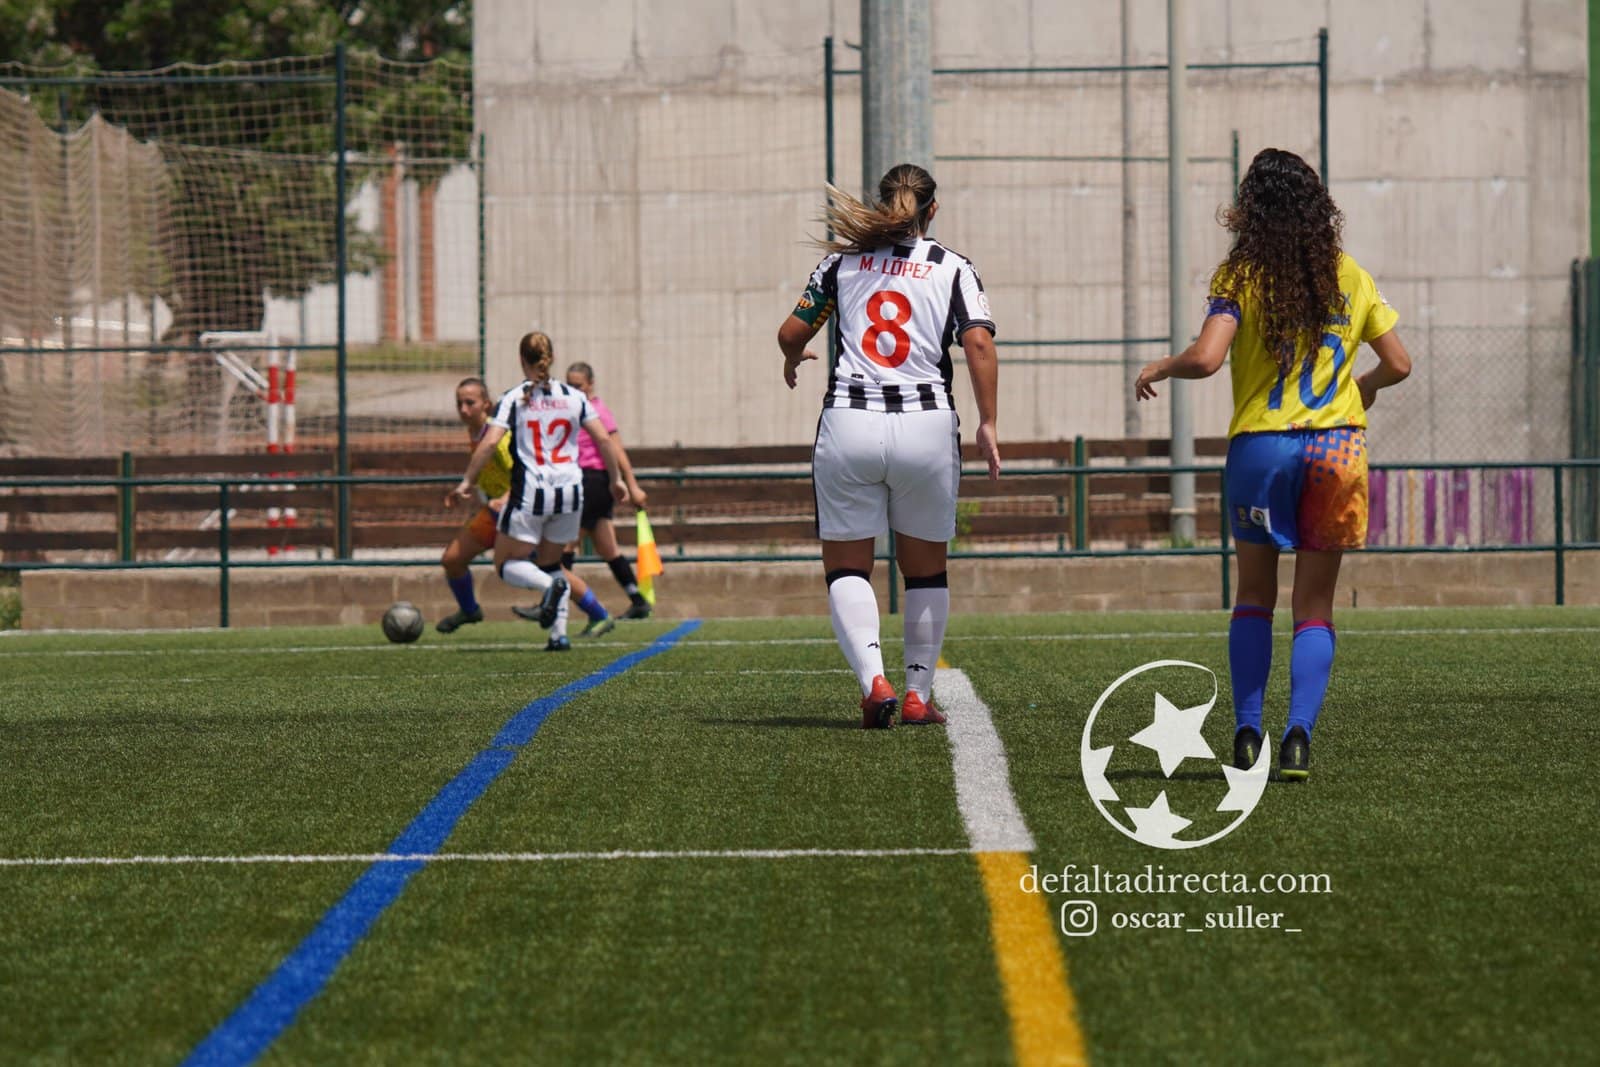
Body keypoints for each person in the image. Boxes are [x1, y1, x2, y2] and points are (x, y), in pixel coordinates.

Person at [1134, 147, 1412, 780]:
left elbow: (1206, 359)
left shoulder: (1240, 276)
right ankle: (1297, 740)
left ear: (1250, 208)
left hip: (1262, 449)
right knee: (1314, 605)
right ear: (1318, 207)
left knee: (1255, 595)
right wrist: (1361, 390)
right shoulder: (1350, 274)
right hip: (1337, 447)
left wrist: (1161, 365)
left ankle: (1246, 734)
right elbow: (1400, 364)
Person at [778, 162, 1001, 729]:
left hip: (850, 421)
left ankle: (873, 681)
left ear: (881, 207)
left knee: (848, 567)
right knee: (925, 572)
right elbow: (977, 344)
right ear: (933, 210)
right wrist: (989, 423)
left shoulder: (840, 263)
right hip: (926, 426)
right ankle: (917, 694)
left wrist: (790, 355)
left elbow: (791, 332)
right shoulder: (954, 267)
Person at [448, 332, 629, 652]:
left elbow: (490, 442)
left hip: (533, 492)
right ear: (552, 358)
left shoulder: (515, 398)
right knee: (549, 563)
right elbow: (603, 440)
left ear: (521, 360)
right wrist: (617, 479)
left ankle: (551, 589)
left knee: (506, 564)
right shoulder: (574, 396)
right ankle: (558, 635)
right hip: (571, 492)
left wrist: (467, 482)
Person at [512, 360, 650, 631]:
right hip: (589, 483)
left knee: (561, 547)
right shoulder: (570, 405)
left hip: (591, 481)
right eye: (570, 384)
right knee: (607, 547)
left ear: (590, 385)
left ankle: (553, 601)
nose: (574, 389)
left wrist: (631, 484)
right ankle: (638, 599)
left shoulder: (596, 409)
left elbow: (614, 448)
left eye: (579, 385)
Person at [434, 377, 515, 633]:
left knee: (543, 568)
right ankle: (469, 610)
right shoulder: (475, 433)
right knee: (452, 560)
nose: (463, 409)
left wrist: (506, 498)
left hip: (520, 512)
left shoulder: (499, 439)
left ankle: (596, 612)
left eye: (470, 403)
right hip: (494, 513)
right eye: (459, 403)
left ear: (487, 405)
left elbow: (527, 475)